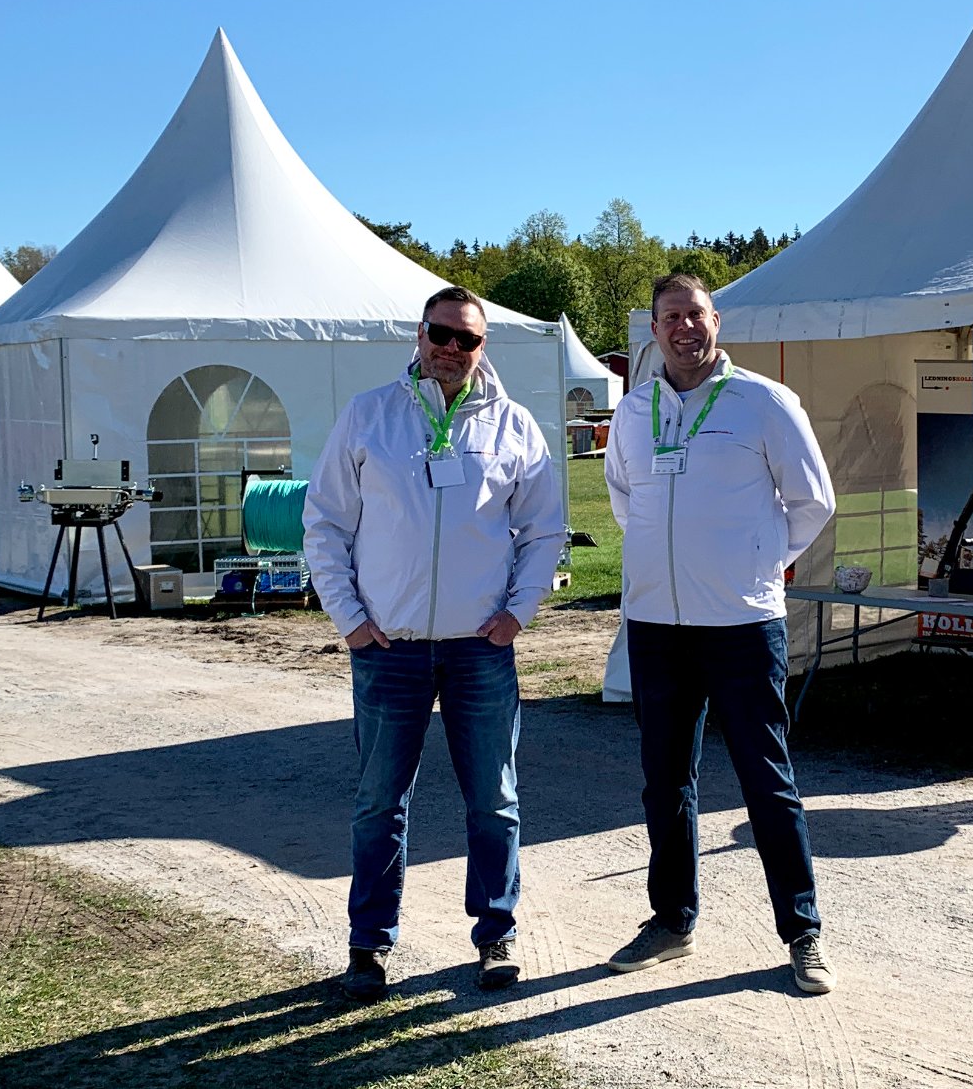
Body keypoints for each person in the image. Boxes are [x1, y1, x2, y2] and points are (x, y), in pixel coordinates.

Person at [303, 285, 567, 1003]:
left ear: (485, 348)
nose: (452, 349)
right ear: (418, 334)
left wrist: (518, 611)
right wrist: (350, 619)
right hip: (389, 648)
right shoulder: (370, 416)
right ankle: (369, 946)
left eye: (467, 339)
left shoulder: (512, 425)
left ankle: (495, 935)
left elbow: (545, 529)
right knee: (379, 802)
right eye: (441, 334)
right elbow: (324, 521)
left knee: (495, 798)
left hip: (480, 647)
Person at [603, 273, 838, 994]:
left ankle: (802, 931)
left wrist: (756, 562)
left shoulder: (764, 401)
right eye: (670, 316)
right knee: (665, 781)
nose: (683, 327)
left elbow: (813, 501)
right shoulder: (634, 410)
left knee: (767, 781)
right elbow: (622, 498)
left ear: (715, 319)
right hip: (657, 627)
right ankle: (672, 919)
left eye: (694, 314)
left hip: (741, 623)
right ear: (653, 328)